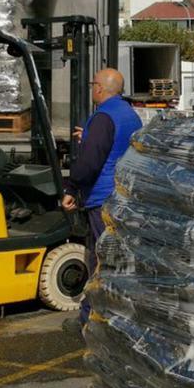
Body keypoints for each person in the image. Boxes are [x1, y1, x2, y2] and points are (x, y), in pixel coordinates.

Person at [62, 69, 143, 284]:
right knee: (118, 256)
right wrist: (89, 138)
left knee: (100, 259)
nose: (92, 88)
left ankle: (94, 314)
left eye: (92, 84)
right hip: (123, 195)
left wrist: (71, 188)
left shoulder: (103, 117)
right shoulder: (130, 114)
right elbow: (118, 144)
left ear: (99, 88)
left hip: (103, 200)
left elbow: (89, 163)